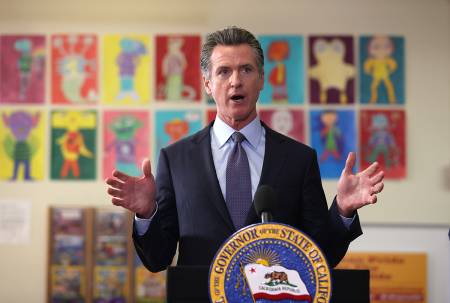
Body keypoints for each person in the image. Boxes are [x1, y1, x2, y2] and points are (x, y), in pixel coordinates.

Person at [105, 26, 385, 272]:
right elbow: (157, 259)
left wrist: (342, 211)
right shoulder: (176, 158)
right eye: (224, 71)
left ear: (262, 80)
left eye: (246, 70)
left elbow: (320, 255)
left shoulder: (299, 159)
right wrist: (146, 214)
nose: (235, 80)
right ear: (207, 84)